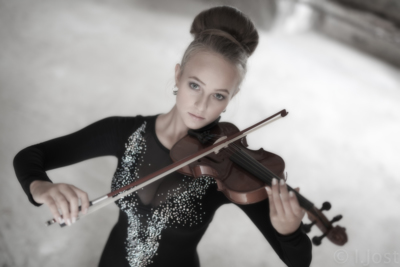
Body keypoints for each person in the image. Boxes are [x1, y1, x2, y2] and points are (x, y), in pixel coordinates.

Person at [13, 5, 312, 267]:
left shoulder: (230, 168)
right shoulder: (125, 132)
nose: (201, 105)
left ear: (232, 96)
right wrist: (41, 187)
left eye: (218, 95)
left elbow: (298, 260)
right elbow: (30, 157)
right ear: (178, 75)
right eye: (195, 85)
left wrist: (289, 232)